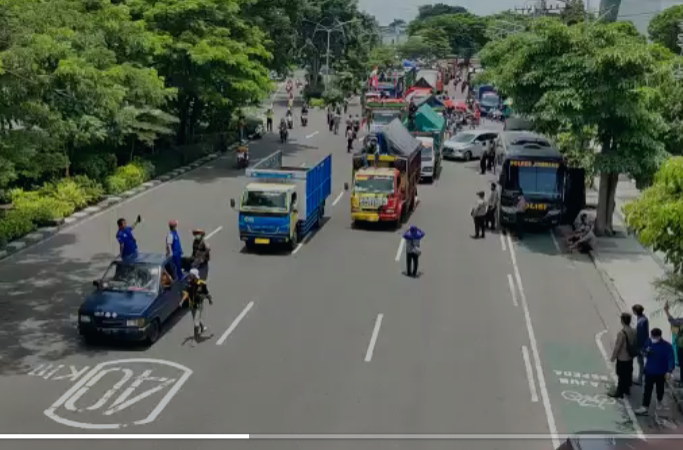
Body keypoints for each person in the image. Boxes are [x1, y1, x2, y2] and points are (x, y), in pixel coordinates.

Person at [634, 328, 675, 415]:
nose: (652, 338)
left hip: (661, 373)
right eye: (651, 336)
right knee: (647, 390)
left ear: (659, 336)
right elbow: (642, 350)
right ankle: (645, 407)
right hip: (649, 371)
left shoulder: (667, 346)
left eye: (654, 337)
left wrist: (669, 371)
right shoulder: (649, 341)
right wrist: (645, 351)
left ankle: (659, 400)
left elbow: (671, 359)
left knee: (660, 389)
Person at [180, 268, 214, 340]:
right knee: (196, 318)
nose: (189, 276)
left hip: (199, 305)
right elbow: (186, 293)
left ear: (194, 276)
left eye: (191, 275)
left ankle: (195, 338)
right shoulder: (189, 283)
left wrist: (210, 300)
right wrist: (182, 301)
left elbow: (207, 293)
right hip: (192, 305)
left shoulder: (202, 284)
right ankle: (202, 327)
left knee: (196, 323)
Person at [609, 312, 637, 398]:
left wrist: (613, 357)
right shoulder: (634, 331)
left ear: (622, 321)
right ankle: (627, 389)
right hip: (630, 357)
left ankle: (619, 392)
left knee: (621, 375)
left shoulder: (621, 333)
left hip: (622, 357)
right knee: (628, 373)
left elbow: (618, 346)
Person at [664, 301, 683, 383]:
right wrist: (666, 311)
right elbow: (673, 321)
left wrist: (666, 311)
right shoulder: (681, 321)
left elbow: (673, 321)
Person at [632, 304, 650, 386]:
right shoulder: (644, 318)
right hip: (644, 344)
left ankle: (640, 380)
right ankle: (642, 375)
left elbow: (639, 335)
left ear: (635, 311)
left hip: (640, 345)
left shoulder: (640, 322)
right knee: (642, 361)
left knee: (640, 362)